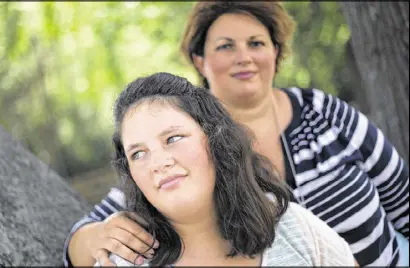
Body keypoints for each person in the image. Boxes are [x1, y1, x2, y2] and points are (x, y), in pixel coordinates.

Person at [64, 2, 409, 267]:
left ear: (275, 52)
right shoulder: (177, 150)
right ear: (200, 61)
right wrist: (96, 235)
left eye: (256, 42)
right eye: (226, 46)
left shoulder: (325, 115)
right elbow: (91, 235)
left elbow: (403, 202)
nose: (243, 57)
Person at [101, 71, 355, 266]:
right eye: (138, 153)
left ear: (215, 139)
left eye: (173, 138)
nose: (158, 163)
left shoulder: (293, 227)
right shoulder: (123, 263)